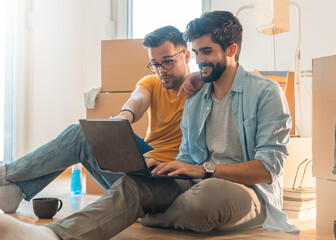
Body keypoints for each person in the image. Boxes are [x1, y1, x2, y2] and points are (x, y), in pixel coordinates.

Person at [0, 11, 299, 240]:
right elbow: (185, 153)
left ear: (231, 50)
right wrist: (165, 164)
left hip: (246, 191)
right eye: (196, 52)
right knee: (138, 183)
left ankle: (144, 213)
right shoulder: (195, 96)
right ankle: (54, 235)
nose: (199, 60)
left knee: (207, 198)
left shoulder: (265, 93)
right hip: (192, 182)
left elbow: (268, 169)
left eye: (206, 52)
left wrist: (204, 170)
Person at [0, 25, 195, 213]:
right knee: (85, 137)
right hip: (141, 168)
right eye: (155, 64)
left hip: (166, 179)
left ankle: (7, 174)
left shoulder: (202, 89)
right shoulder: (151, 82)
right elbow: (137, 100)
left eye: (168, 61)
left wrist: (199, 79)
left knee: (80, 135)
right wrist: (123, 117)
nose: (161, 70)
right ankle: (16, 191)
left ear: (186, 56)